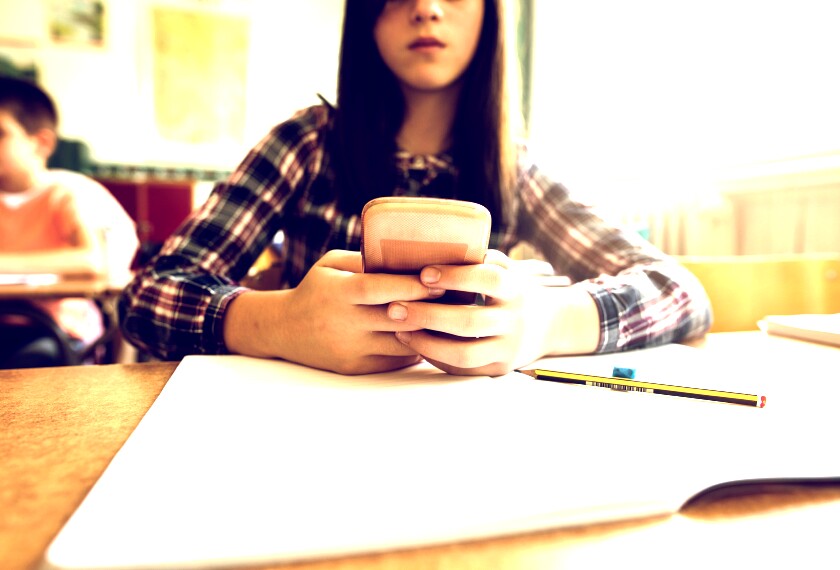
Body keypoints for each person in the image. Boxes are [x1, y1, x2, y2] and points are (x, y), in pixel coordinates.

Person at [119, 0, 711, 376]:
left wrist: (547, 324)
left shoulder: (517, 170)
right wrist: (279, 322)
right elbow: (147, 299)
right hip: (310, 426)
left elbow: (680, 293)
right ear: (366, 17)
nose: (426, 8)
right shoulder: (305, 143)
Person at [0, 76, 139, 368]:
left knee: (28, 362)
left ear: (41, 143)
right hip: (6, 324)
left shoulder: (64, 194)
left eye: (1, 134)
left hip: (56, 329)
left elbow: (91, 261)